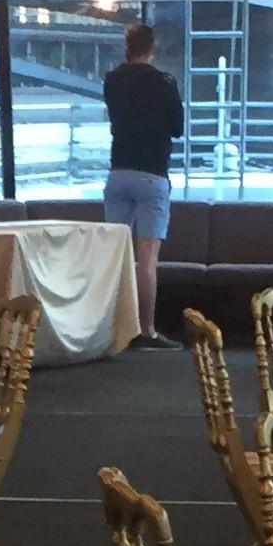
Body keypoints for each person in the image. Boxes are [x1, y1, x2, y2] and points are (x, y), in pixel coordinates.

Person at [101, 22, 181, 349]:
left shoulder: (112, 80)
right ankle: (146, 330)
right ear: (152, 50)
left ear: (127, 49)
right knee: (146, 258)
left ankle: (111, 328)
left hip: (118, 171)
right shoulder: (164, 82)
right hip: (152, 175)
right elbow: (177, 127)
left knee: (114, 255)